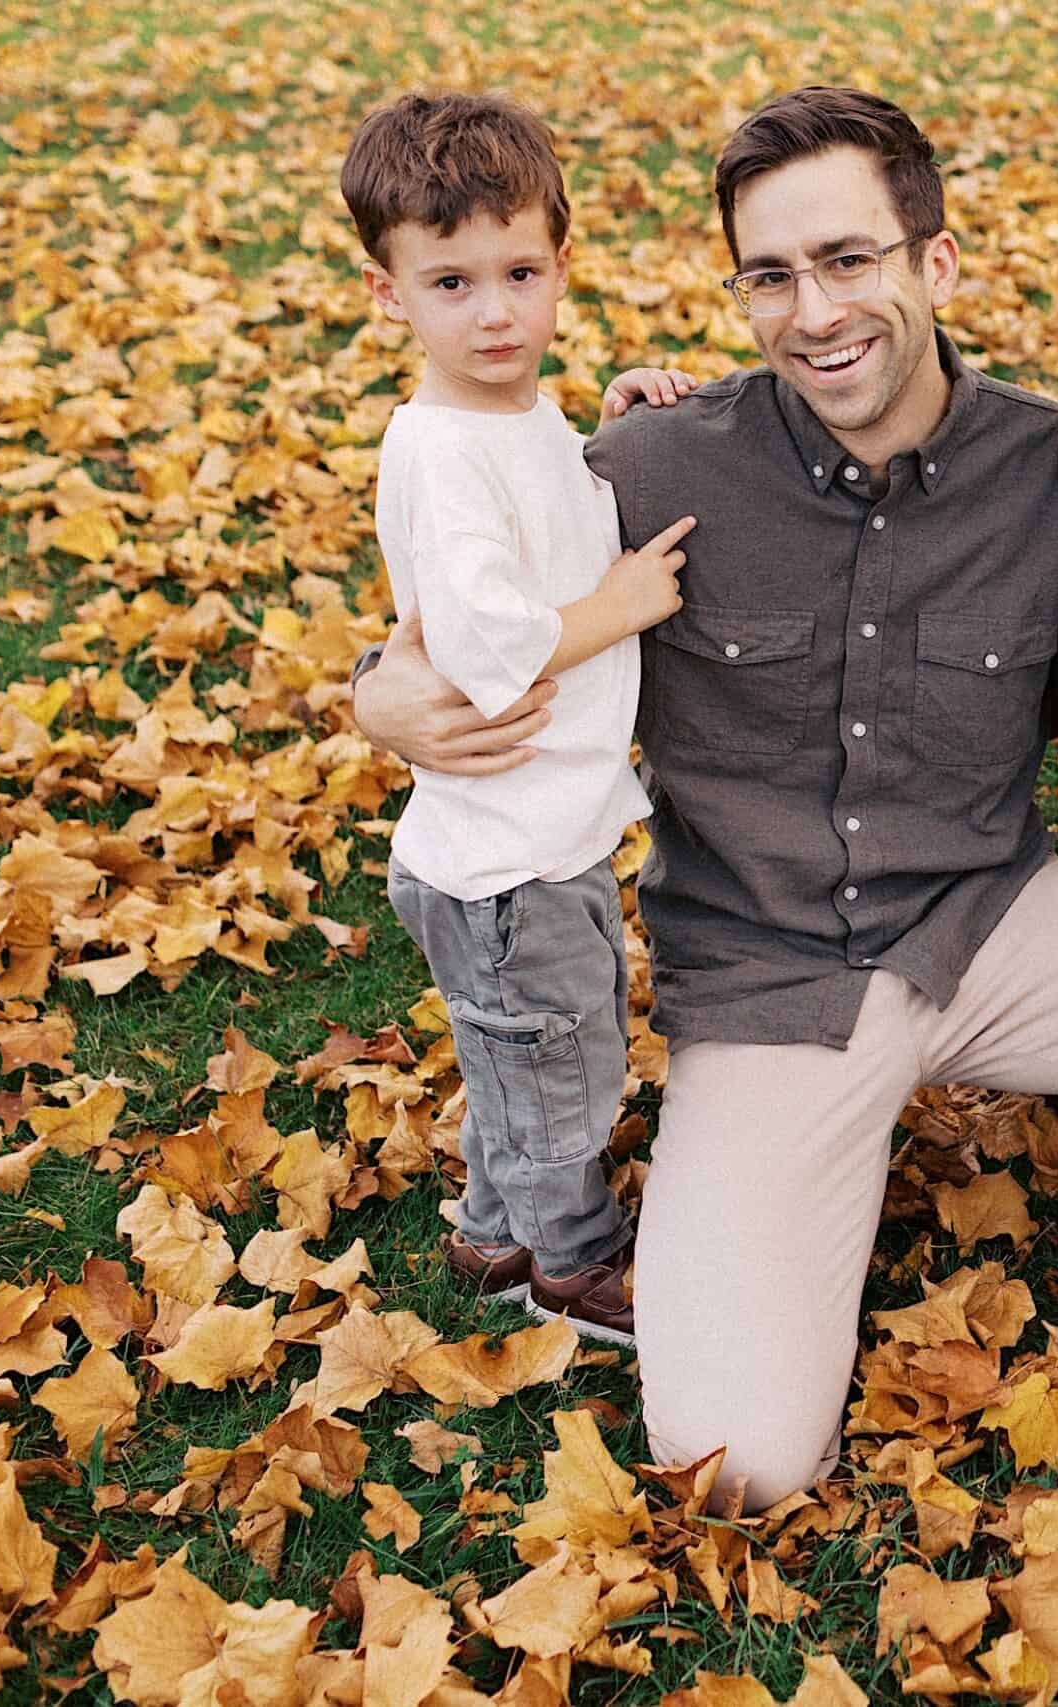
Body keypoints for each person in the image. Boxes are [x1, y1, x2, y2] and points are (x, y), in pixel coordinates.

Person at [352, 87, 1058, 1512]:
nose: (816, 309)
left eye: (850, 260)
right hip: (770, 979)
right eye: (773, 276)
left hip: (985, 926)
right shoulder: (652, 466)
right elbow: (470, 591)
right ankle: (800, 1158)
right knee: (739, 1464)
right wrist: (371, 694)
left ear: (932, 265)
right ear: (742, 295)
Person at [340, 90, 707, 1345]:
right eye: (450, 283)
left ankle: (495, 1231)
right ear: (389, 294)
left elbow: (545, 519)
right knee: (560, 1064)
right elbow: (500, 646)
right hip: (505, 860)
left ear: (561, 264)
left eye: (520, 272)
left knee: (529, 1046)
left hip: (538, 835)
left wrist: (607, 426)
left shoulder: (513, 413)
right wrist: (624, 602)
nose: (494, 311)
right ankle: (573, 1262)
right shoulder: (439, 453)